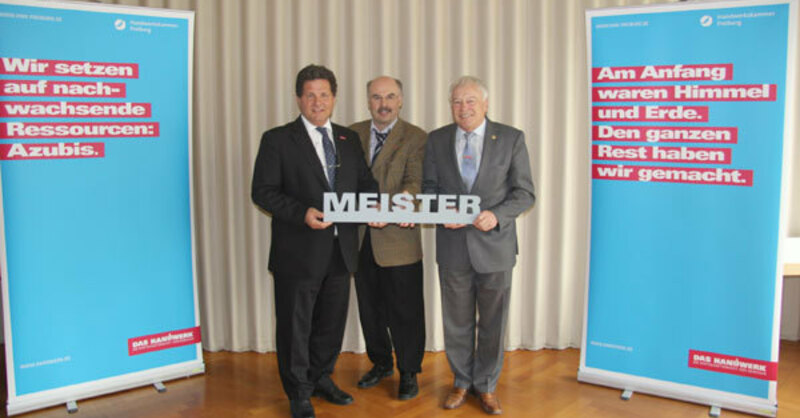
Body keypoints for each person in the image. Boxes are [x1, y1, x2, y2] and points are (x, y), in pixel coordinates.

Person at [252, 64, 378, 418]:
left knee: (330, 324)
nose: (317, 101)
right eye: (310, 95)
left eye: (324, 94)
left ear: (334, 98)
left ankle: (321, 377)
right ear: (298, 99)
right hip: (298, 253)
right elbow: (263, 191)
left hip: (341, 250)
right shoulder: (277, 139)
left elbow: (365, 184)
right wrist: (302, 212)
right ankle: (298, 392)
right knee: (296, 326)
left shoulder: (348, 139)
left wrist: (375, 206)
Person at [422, 76, 535, 415]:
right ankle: (461, 381)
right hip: (453, 247)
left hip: (495, 248)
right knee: (456, 322)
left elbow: (525, 193)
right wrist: (444, 213)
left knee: (493, 323)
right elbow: (429, 190)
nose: (464, 107)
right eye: (457, 101)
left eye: (470, 100)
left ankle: (486, 385)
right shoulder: (437, 139)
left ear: (485, 104)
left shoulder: (511, 138)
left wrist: (497, 215)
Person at [349, 76, 427, 400]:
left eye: (390, 96)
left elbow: (415, 183)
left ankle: (409, 371)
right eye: (377, 97)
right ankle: (381, 363)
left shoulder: (416, 137)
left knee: (406, 311)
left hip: (398, 240)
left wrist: (390, 207)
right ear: (368, 101)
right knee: (370, 310)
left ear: (401, 100)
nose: (384, 104)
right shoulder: (349, 133)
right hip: (358, 239)